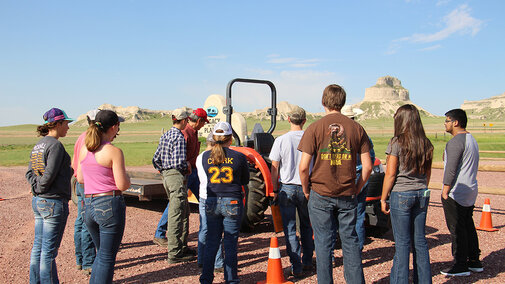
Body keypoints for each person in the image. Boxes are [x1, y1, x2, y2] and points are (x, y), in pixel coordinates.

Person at [298, 84, 372, 284]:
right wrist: (357, 188)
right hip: (347, 194)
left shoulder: (314, 128)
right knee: (350, 241)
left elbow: (303, 167)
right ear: (343, 102)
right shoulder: (357, 128)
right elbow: (367, 167)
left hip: (320, 193)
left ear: (323, 102)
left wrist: (306, 190)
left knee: (323, 244)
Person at [380, 104, 434, 283]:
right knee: (420, 241)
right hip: (421, 193)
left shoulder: (397, 142)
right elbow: (427, 173)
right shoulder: (426, 143)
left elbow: (391, 173)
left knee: (402, 244)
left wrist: (383, 197)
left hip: (401, 194)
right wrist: (422, 188)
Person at [77, 109, 130, 283]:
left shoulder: (85, 149)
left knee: (101, 255)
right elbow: (122, 184)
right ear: (114, 127)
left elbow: (81, 178)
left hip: (89, 205)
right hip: (108, 203)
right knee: (107, 258)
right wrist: (127, 176)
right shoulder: (113, 151)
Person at [26, 108, 74, 284]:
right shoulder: (55, 145)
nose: (68, 128)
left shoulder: (38, 145)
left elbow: (30, 173)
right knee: (49, 252)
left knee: (38, 247)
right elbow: (49, 174)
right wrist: (41, 187)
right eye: (66, 124)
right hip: (52, 201)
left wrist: (36, 189)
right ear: (58, 124)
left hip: (39, 201)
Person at [200, 122, 250, 284]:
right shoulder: (239, 157)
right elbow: (245, 180)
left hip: (212, 201)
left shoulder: (205, 157)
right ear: (230, 139)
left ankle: (206, 279)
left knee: (212, 243)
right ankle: (231, 279)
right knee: (230, 243)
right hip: (232, 200)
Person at [269, 106, 314, 277]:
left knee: (289, 228)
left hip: (286, 187)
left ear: (288, 119)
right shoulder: (311, 138)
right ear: (304, 121)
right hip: (306, 187)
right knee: (306, 226)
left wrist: (274, 189)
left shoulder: (281, 140)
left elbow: (274, 167)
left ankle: (296, 266)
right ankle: (308, 261)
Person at [153, 108, 208, 246]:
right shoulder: (184, 133)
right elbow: (177, 159)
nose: (204, 125)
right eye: (204, 122)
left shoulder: (193, 132)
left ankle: (208, 229)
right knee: (175, 203)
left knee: (204, 199)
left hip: (193, 172)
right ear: (199, 121)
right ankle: (160, 233)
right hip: (184, 173)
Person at [440, 108, 482, 277]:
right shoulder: (471, 139)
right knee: (468, 226)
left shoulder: (456, 141)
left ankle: (460, 264)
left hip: (456, 191)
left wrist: (445, 189)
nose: (445, 124)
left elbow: (451, 168)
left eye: (447, 121)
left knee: (456, 228)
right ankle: (474, 260)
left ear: (456, 122)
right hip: (470, 188)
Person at [152, 109, 195, 263]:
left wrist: (165, 172)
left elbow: (156, 159)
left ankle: (182, 246)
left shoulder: (165, 135)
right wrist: (187, 165)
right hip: (177, 176)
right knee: (177, 213)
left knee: (184, 210)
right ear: (183, 121)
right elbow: (178, 162)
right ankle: (174, 253)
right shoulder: (179, 137)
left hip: (168, 176)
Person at [342, 105, 375, 252]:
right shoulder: (362, 133)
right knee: (359, 213)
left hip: (345, 177)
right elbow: (371, 157)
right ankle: (357, 249)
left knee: (339, 213)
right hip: (362, 175)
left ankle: (344, 248)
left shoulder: (339, 133)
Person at [71, 109, 98, 276]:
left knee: (80, 221)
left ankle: (80, 259)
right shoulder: (90, 139)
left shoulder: (81, 136)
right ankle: (88, 261)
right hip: (87, 183)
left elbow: (75, 163)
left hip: (79, 182)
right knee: (88, 222)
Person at [196, 133, 224, 272]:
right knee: (215, 230)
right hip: (213, 195)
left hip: (203, 195)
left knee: (204, 228)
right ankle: (218, 263)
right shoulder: (214, 157)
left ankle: (201, 258)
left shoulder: (200, 157)